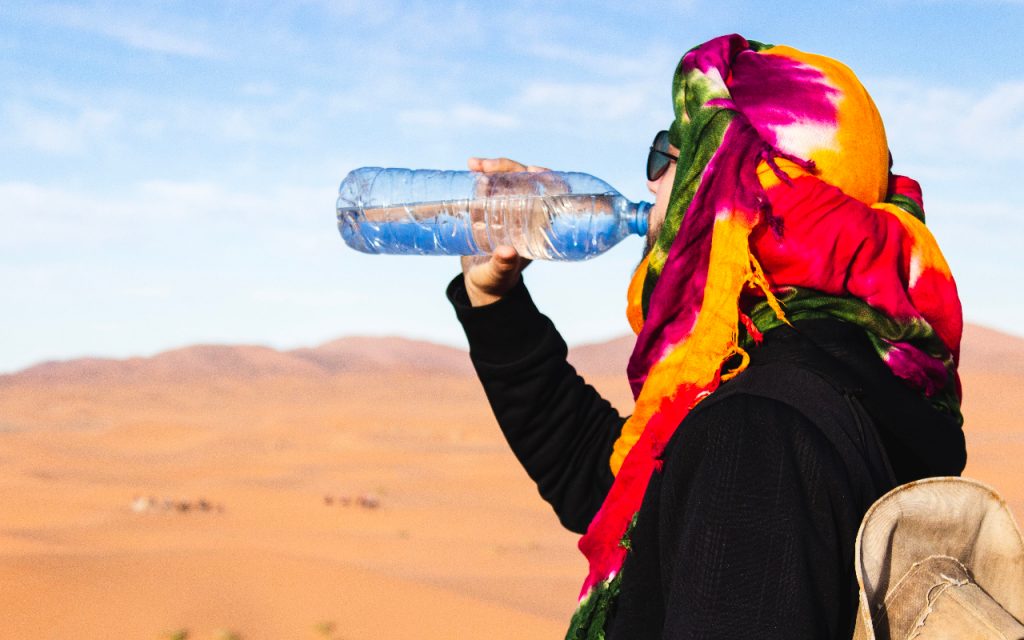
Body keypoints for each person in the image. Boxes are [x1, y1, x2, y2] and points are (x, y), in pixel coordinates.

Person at [446, 34, 967, 639]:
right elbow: (616, 492)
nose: (652, 182)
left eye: (672, 151)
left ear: (727, 172)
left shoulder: (762, 427)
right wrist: (494, 301)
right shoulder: (842, 367)